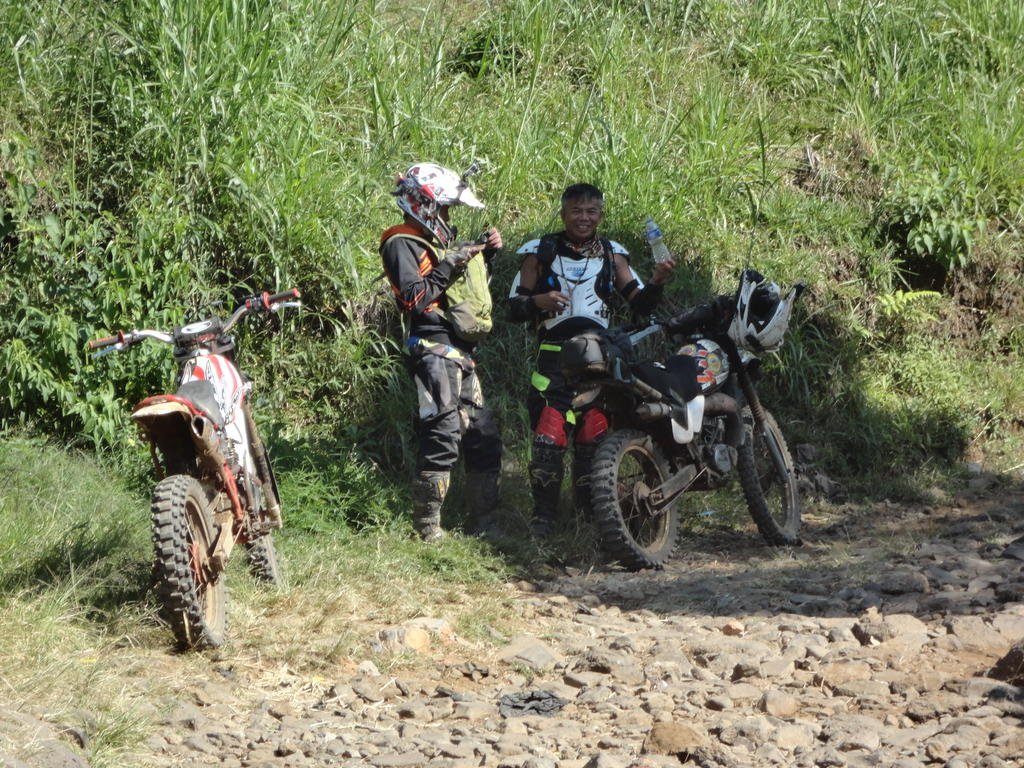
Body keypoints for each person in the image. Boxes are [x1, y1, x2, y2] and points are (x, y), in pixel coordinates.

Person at [507, 183, 676, 536]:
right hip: (553, 360)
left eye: (591, 211)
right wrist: (538, 302)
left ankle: (587, 519)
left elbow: (641, 304)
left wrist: (657, 281)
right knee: (548, 436)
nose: (583, 218)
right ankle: (543, 520)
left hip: (598, 362)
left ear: (600, 215)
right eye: (576, 211)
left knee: (593, 436)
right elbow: (513, 308)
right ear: (563, 214)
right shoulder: (539, 252)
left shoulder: (613, 255)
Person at [380, 162, 503, 542]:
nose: (448, 218)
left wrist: (484, 254)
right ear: (427, 205)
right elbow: (414, 299)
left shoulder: (432, 243)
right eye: (446, 209)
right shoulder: (400, 242)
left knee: (483, 435)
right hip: (432, 350)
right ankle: (427, 526)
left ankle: (485, 521)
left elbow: (454, 295)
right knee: (443, 432)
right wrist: (450, 263)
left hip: (460, 352)